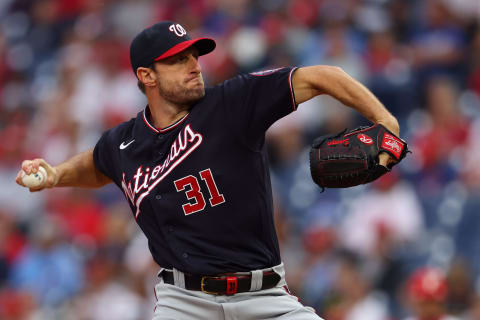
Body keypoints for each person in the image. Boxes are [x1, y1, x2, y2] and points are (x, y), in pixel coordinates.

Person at [16, 21, 399, 319]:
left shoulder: (232, 103)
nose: (193, 67)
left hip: (263, 297)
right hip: (183, 302)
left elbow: (320, 75)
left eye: (194, 56)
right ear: (147, 76)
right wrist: (56, 175)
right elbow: (98, 165)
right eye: (178, 60)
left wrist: (386, 121)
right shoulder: (123, 143)